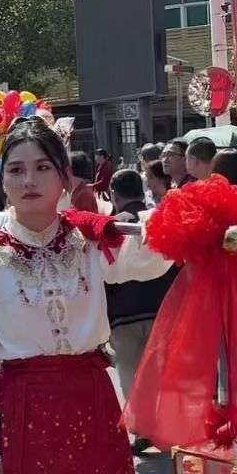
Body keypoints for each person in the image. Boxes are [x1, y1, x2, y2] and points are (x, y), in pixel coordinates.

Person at [0, 116, 172, 474]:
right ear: (3, 180)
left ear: (64, 177)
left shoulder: (90, 243)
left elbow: (152, 256)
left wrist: (192, 223)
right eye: (16, 169)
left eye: (42, 167)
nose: (29, 180)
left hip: (93, 407)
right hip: (23, 417)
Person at [106, 168, 178, 455]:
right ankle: (165, 427)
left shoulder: (111, 227)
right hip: (161, 310)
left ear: (114, 194)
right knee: (162, 374)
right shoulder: (158, 220)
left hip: (124, 315)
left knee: (131, 377)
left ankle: (144, 429)